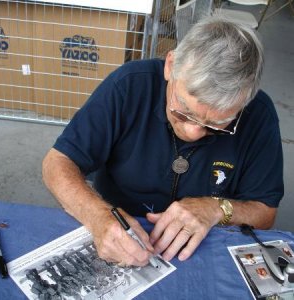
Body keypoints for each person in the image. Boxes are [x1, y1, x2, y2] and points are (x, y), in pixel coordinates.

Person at [42, 15, 283, 267]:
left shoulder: (259, 116)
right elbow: (56, 163)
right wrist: (99, 216)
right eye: (184, 112)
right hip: (121, 230)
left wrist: (216, 208)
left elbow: (265, 212)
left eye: (216, 127)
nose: (193, 132)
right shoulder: (129, 86)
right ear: (170, 65)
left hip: (204, 241)